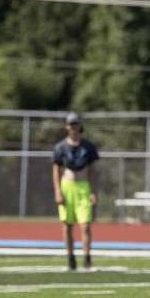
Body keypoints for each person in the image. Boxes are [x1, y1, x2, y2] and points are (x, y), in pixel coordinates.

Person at [52, 112, 100, 271]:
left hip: (83, 187)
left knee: (85, 225)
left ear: (80, 126)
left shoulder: (88, 147)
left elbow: (93, 171)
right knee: (67, 225)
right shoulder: (60, 148)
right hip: (67, 186)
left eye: (76, 124)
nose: (73, 127)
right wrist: (58, 191)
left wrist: (93, 191)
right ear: (66, 127)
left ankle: (87, 258)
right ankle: (70, 257)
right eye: (71, 124)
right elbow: (56, 171)